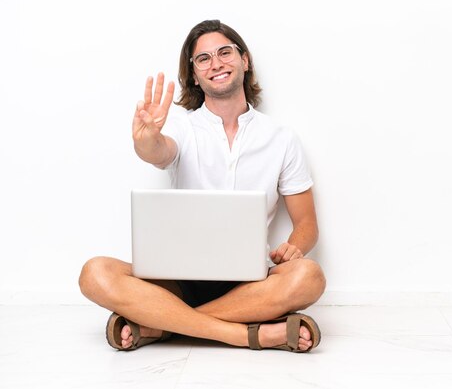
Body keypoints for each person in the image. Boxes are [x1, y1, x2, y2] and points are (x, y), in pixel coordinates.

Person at [79, 20, 326, 353]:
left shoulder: (281, 139)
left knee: (309, 276)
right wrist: (147, 139)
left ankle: (158, 325)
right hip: (177, 279)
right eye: (204, 59)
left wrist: (294, 247)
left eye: (225, 52)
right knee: (94, 273)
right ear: (194, 74)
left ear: (245, 60)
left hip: (251, 283)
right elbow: (159, 150)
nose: (217, 64)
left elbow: (307, 224)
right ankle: (246, 334)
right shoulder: (183, 127)